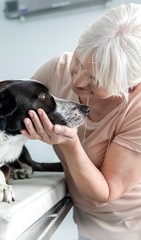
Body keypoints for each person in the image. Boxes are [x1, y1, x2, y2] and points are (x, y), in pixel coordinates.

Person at [21, 3, 141, 240]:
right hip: (84, 222)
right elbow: (13, 104)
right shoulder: (58, 69)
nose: (78, 82)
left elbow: (104, 192)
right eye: (80, 62)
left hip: (129, 229)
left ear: (126, 85)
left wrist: (70, 145)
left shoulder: (136, 108)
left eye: (96, 80)